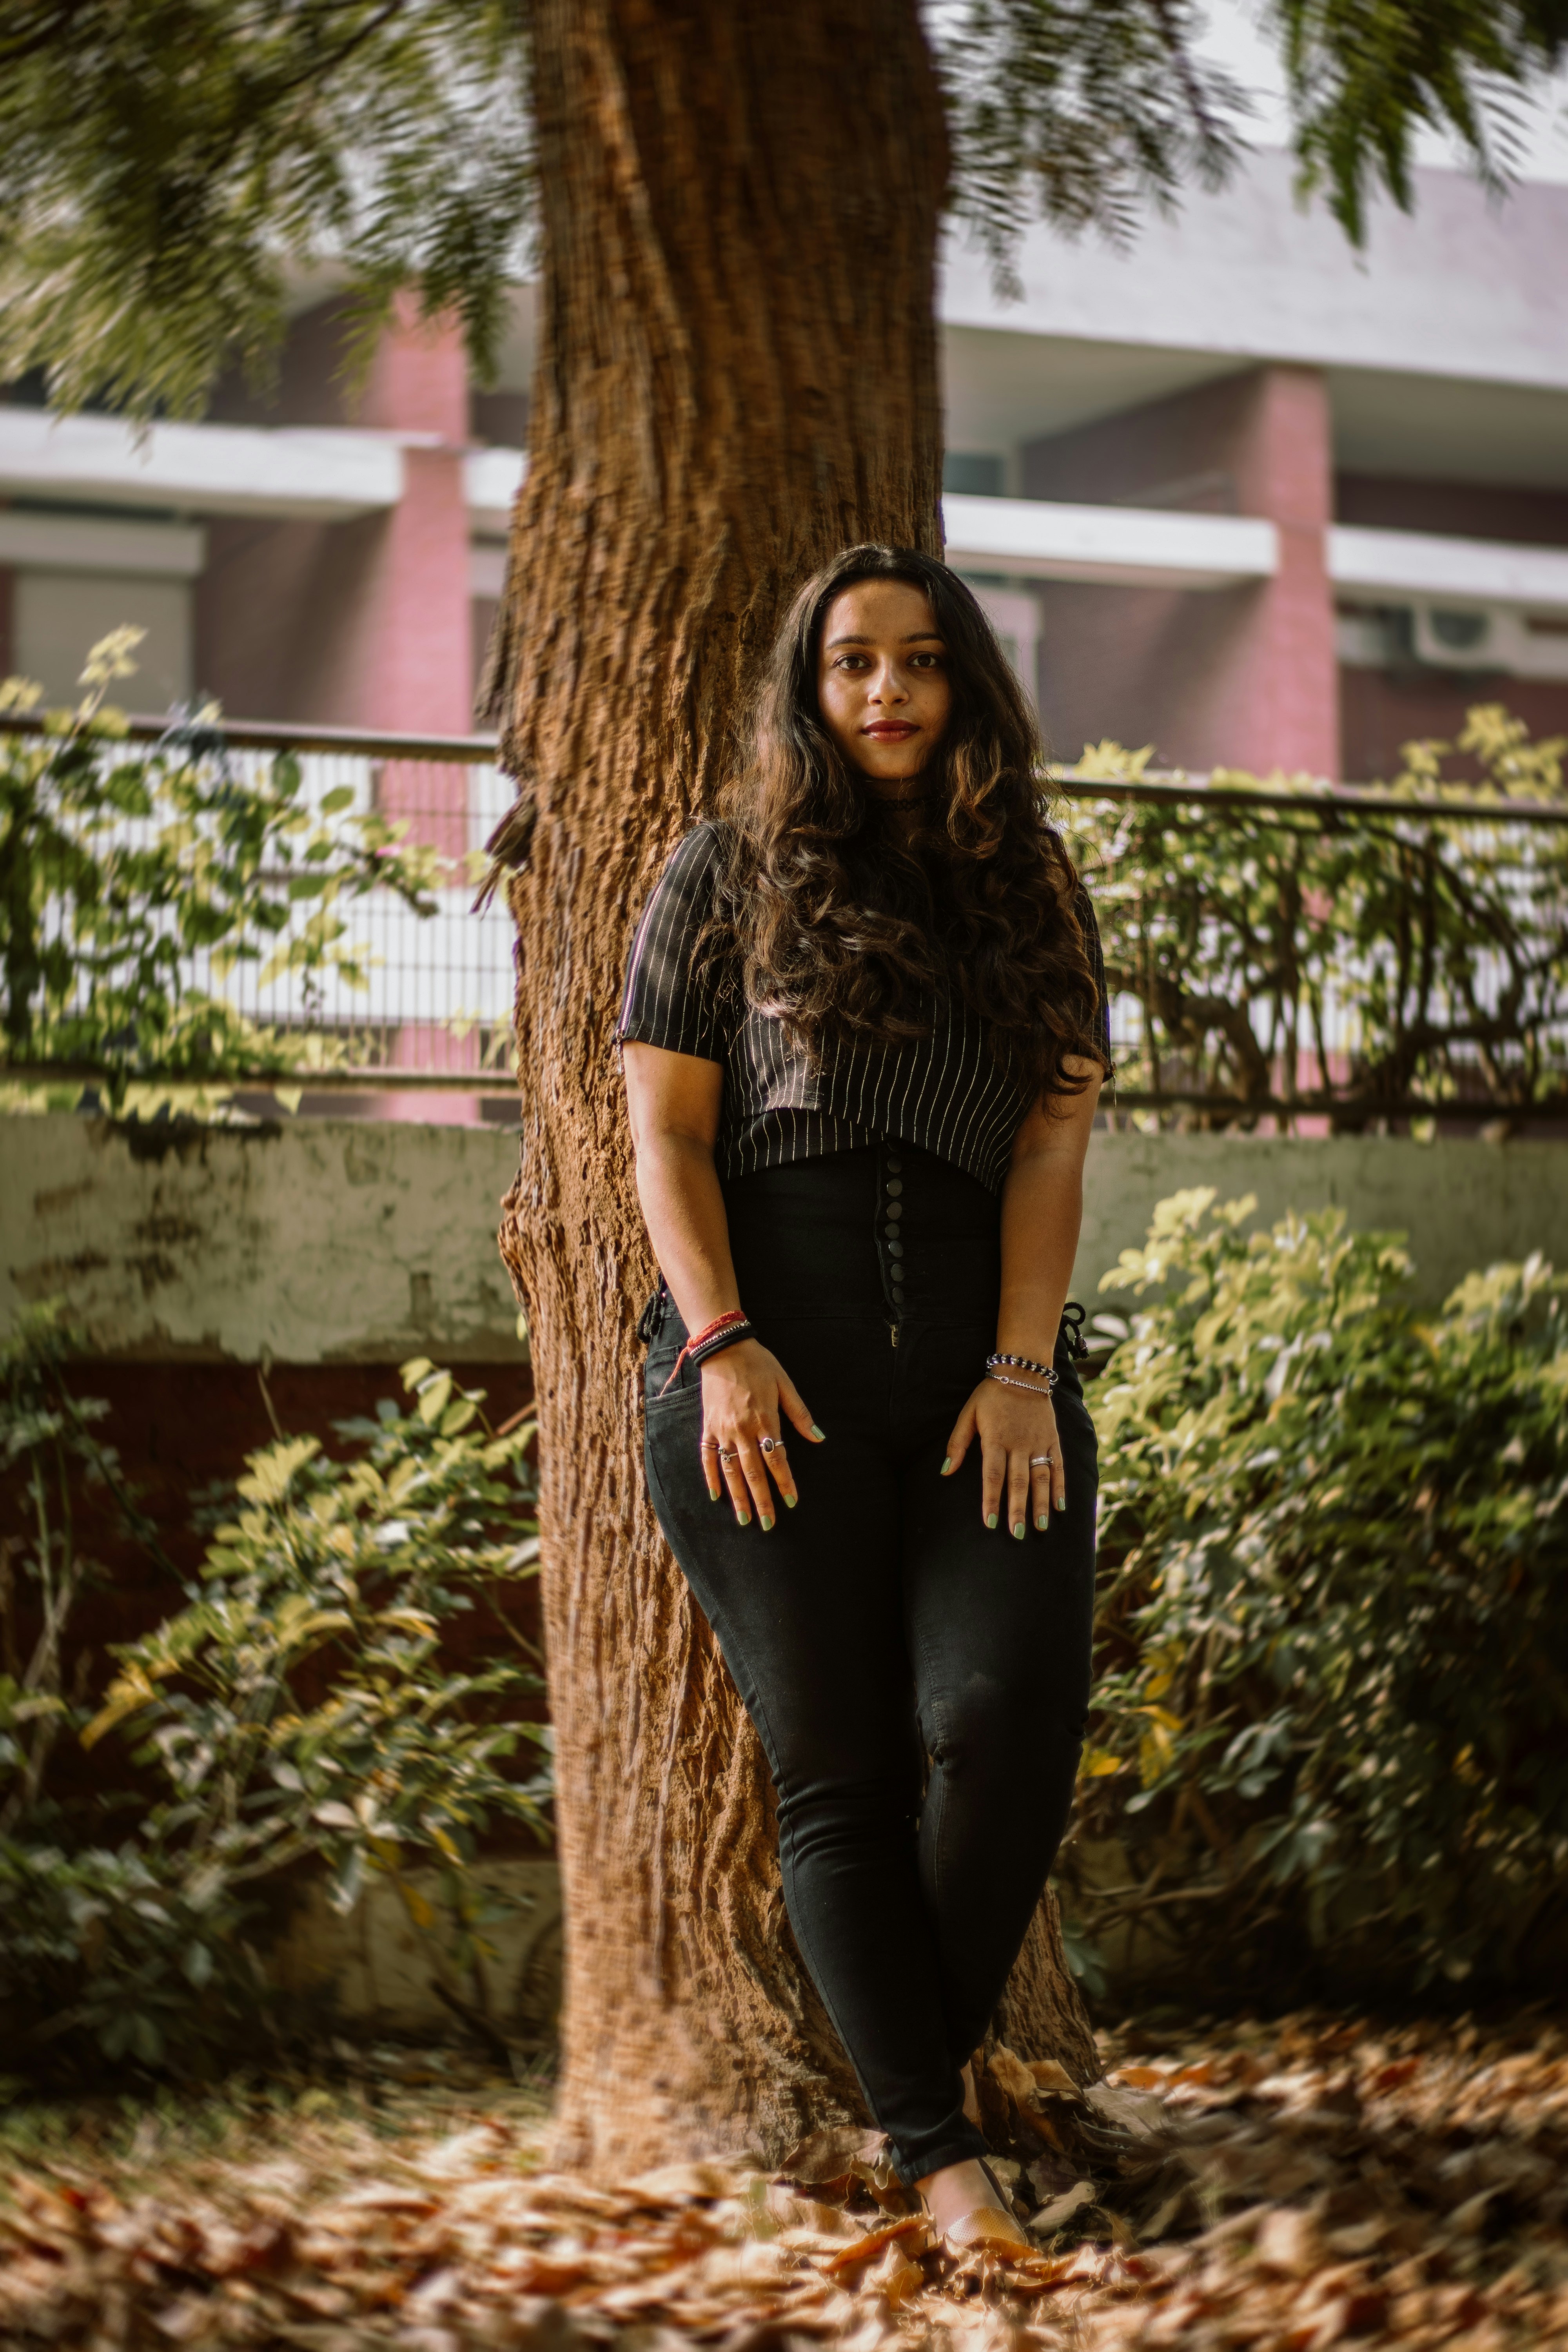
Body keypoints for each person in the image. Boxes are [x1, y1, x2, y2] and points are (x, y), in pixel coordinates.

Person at [617, 543, 1108, 2255]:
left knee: (1010, 1719)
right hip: (769, 1377)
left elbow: (1051, 1141)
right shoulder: (720, 873)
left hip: (985, 1384)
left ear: (965, 682)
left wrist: (1025, 1368)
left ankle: (916, 2079)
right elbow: (664, 1139)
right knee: (835, 1765)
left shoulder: (1032, 884)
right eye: (849, 664)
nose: (885, 690)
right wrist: (722, 1344)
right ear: (809, 691)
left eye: (917, 660)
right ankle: (942, 2163)